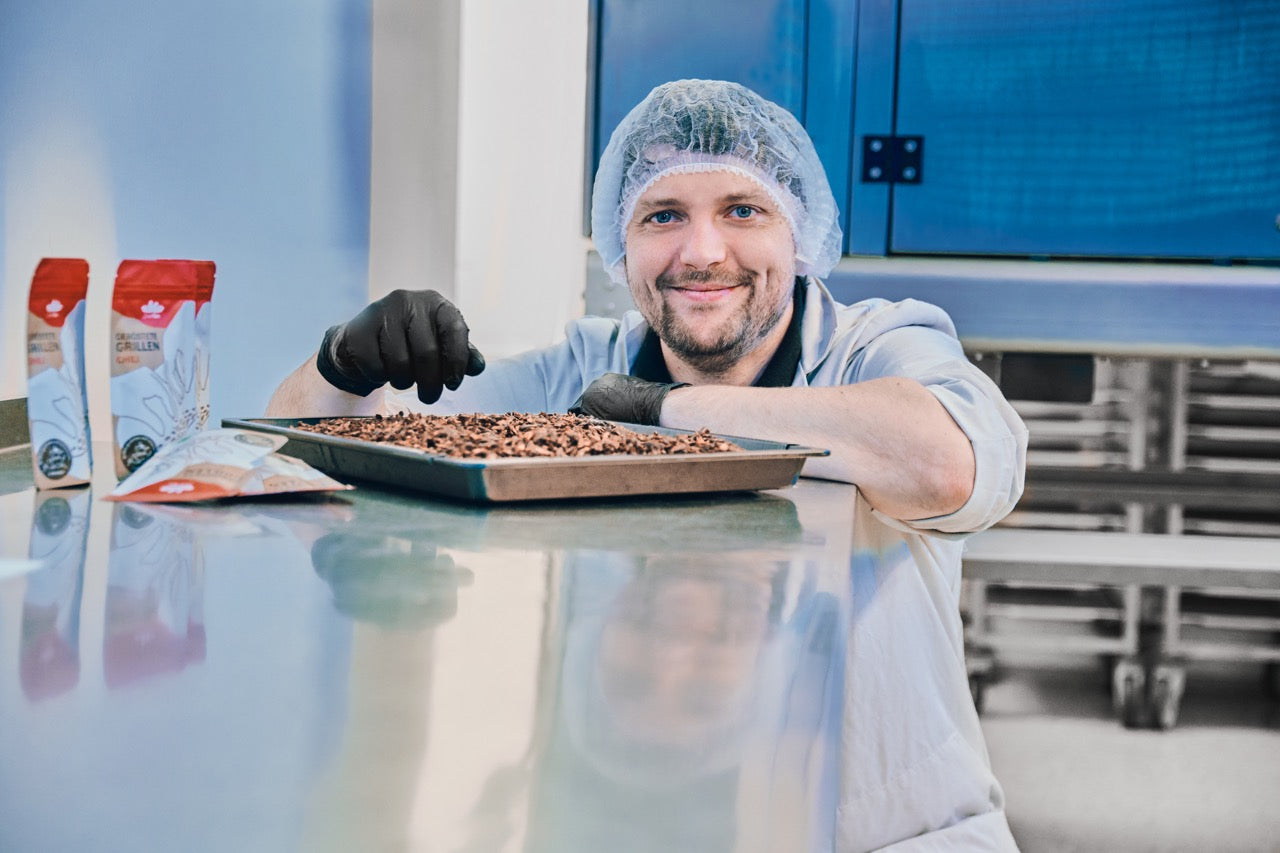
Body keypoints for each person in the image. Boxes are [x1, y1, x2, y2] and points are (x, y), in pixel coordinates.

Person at [268, 78, 1028, 848]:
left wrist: (665, 410)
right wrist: (341, 369)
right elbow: (309, 452)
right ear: (618, 243)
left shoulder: (871, 346)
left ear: (799, 234)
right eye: (663, 215)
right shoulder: (581, 368)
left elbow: (948, 462)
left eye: (743, 210)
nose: (702, 253)